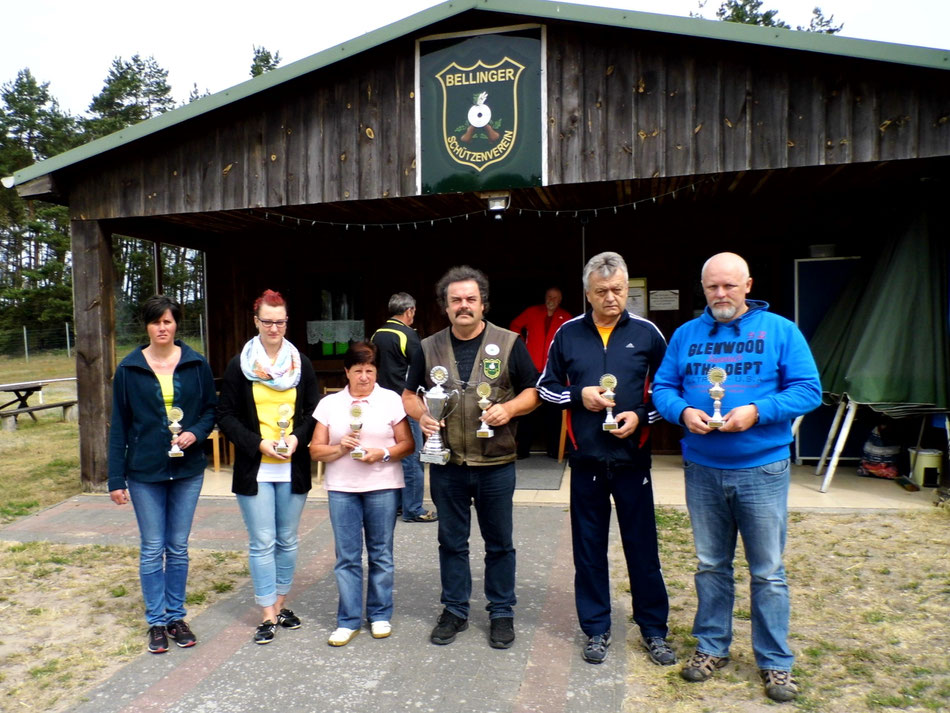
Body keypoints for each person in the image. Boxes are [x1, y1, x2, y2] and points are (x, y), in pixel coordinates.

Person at [652, 252, 821, 703]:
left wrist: (758, 412)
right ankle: (712, 647)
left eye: (728, 285)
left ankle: (775, 662)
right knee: (711, 566)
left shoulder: (781, 331)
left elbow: (808, 390)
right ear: (702, 288)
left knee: (767, 572)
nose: (720, 295)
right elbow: (664, 388)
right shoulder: (687, 335)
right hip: (703, 468)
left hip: (762, 468)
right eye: (712, 287)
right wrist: (684, 411)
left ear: (748, 284)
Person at [538, 252, 674, 666]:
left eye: (618, 290)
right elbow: (545, 389)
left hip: (633, 460)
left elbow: (670, 392)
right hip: (587, 460)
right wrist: (579, 396)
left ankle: (654, 630)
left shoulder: (649, 333)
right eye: (602, 292)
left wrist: (643, 415)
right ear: (587, 294)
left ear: (627, 288)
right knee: (589, 550)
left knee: (642, 548)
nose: (612, 298)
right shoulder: (567, 335)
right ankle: (596, 630)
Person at [402, 266, 540, 650]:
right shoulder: (426, 347)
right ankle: (455, 610)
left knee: (499, 543)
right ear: (445, 307)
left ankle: (501, 611)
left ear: (483, 304)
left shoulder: (510, 342)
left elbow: (533, 391)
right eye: (455, 300)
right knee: (451, 541)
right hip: (448, 463)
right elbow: (409, 394)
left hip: (495, 461)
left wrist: (509, 409)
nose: (464, 306)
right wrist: (422, 414)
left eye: (470, 299)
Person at [108, 294, 217, 654]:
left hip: (187, 469)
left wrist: (196, 433)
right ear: (147, 326)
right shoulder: (128, 369)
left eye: (168, 321)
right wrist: (115, 478)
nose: (162, 328)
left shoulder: (196, 363)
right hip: (144, 471)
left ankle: (176, 616)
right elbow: (120, 426)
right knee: (153, 548)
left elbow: (210, 410)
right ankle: (156, 622)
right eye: (156, 322)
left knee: (179, 547)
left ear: (176, 325)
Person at [217, 289, 318, 645]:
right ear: (255, 321)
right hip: (255, 467)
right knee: (262, 541)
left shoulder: (301, 363)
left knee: (288, 540)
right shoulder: (239, 365)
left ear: (286, 322)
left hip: (292, 466)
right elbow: (225, 416)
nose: (274, 328)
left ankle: (281, 603)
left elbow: (313, 411)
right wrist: (257, 444)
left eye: (280, 321)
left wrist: (296, 439)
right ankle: (266, 613)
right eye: (267, 321)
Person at [310, 341, 414, 646]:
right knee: (347, 556)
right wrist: (339, 446)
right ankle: (348, 620)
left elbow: (407, 445)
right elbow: (316, 450)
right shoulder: (330, 404)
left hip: (382, 486)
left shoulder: (391, 400)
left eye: (370, 370)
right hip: (342, 489)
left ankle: (380, 614)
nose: (365, 377)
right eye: (358, 371)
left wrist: (381, 453)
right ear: (346, 372)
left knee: (381, 553)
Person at [371, 292, 437, 523]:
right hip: (405, 401)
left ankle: (398, 504)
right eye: (413, 312)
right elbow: (420, 369)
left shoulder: (377, 335)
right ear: (409, 311)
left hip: (381, 402)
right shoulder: (408, 335)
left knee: (394, 454)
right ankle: (413, 508)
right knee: (412, 455)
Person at [510, 287, 571, 458]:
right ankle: (523, 450)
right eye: (550, 296)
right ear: (545, 297)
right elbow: (515, 325)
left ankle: (554, 450)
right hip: (531, 367)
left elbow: (571, 339)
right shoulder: (532, 312)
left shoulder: (565, 317)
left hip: (553, 370)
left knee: (553, 411)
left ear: (560, 300)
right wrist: (521, 345)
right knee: (528, 410)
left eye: (556, 298)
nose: (552, 300)